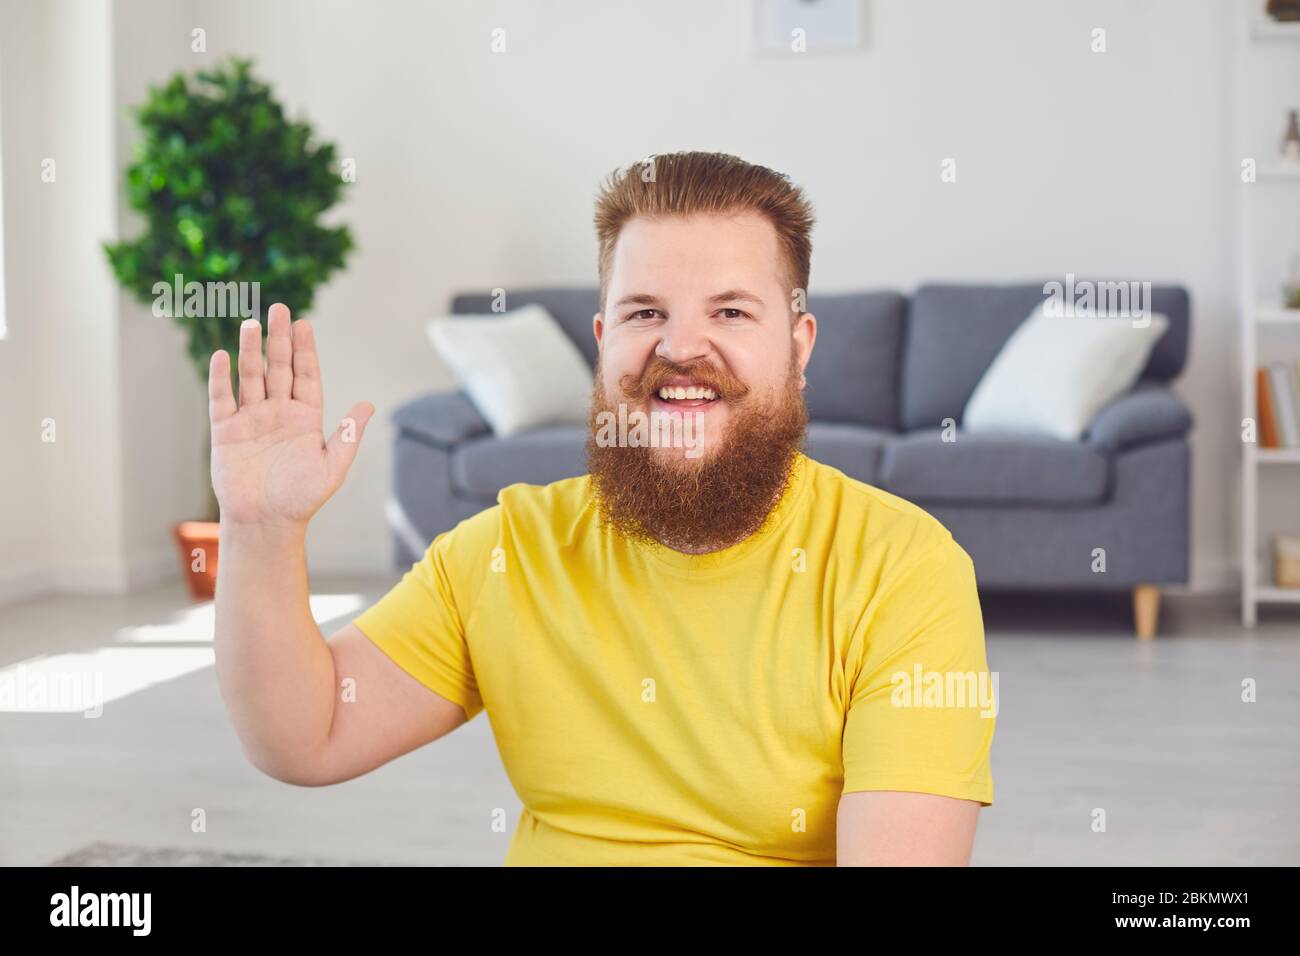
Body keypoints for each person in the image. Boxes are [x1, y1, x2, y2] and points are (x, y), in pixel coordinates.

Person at [210, 151, 995, 866]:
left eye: (730, 312)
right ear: (601, 339)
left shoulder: (904, 572)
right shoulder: (505, 550)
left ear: (799, 346)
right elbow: (306, 737)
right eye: (644, 312)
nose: (681, 350)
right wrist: (261, 531)